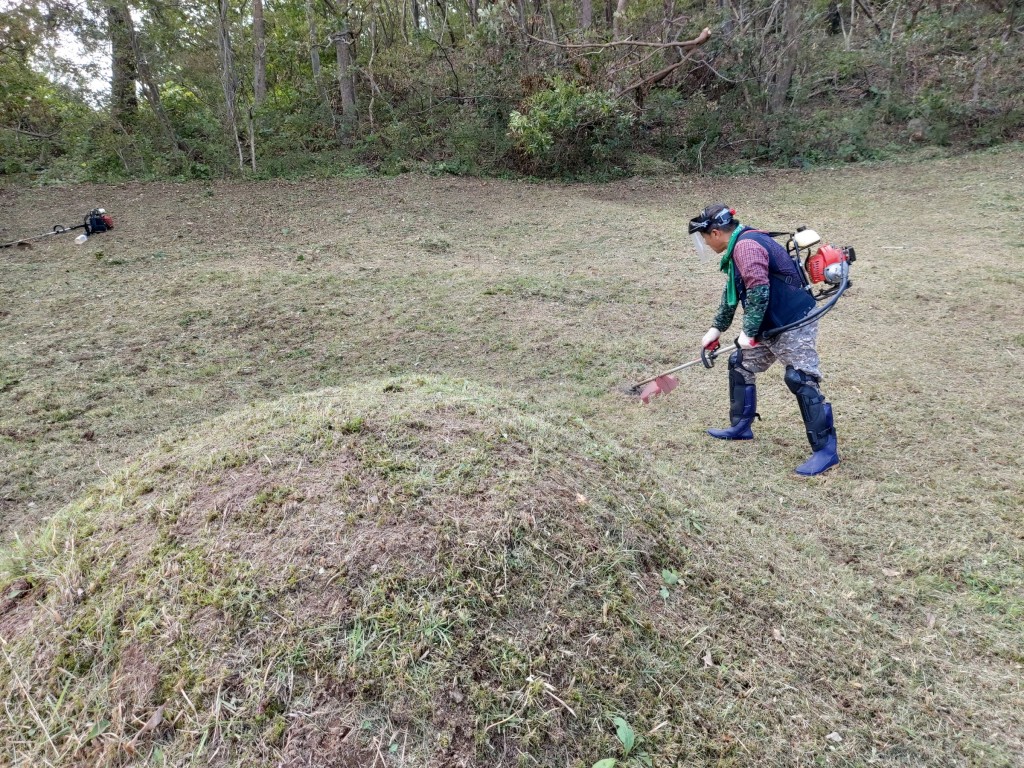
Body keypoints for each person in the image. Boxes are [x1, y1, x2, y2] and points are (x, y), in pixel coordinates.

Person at [687, 204, 840, 476]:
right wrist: (716, 329)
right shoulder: (738, 244)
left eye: (704, 238)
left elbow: (758, 290)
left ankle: (826, 451)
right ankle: (741, 427)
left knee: (801, 379)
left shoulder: (746, 247)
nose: (706, 245)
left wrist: (747, 332)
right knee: (740, 364)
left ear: (715, 233)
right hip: (770, 322)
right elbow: (734, 289)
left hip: (794, 320)